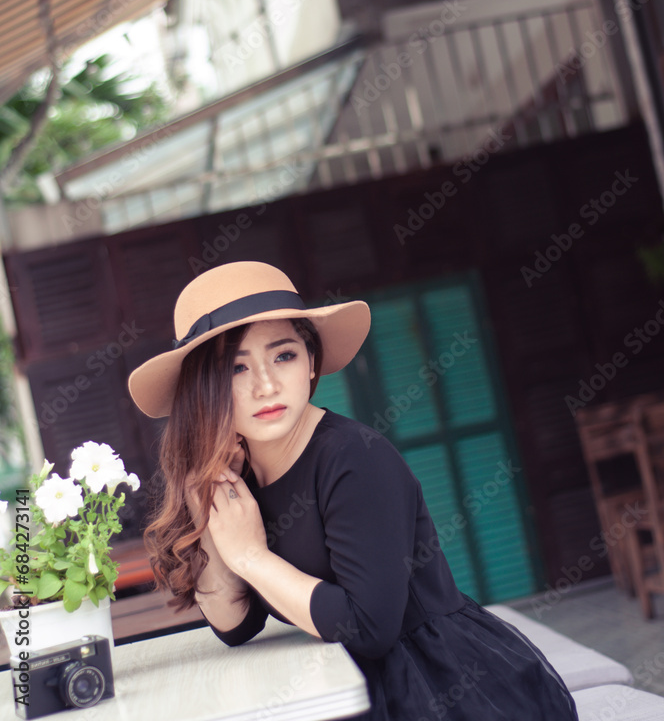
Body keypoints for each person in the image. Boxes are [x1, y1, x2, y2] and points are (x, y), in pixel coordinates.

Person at [128, 261, 579, 721]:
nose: (265, 385)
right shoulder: (240, 477)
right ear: (205, 390)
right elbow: (236, 626)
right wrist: (206, 505)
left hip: (442, 689)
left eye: (283, 355)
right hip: (343, 685)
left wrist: (251, 557)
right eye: (236, 368)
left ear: (309, 363)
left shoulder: (353, 457)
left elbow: (369, 627)